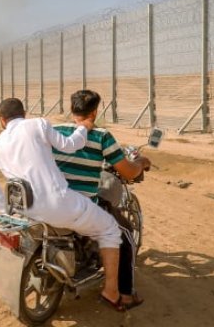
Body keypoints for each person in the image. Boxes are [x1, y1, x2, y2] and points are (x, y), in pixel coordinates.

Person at [0, 98, 125, 311]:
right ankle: (111, 291)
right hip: (58, 204)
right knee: (110, 229)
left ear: (2, 120)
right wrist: (83, 128)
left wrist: (5, 209)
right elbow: (70, 145)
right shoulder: (37, 124)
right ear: (24, 112)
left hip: (24, 210)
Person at [53, 90, 151, 310]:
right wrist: (142, 163)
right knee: (125, 234)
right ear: (95, 111)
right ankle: (123, 295)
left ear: (72, 109)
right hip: (82, 205)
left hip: (53, 201)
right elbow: (127, 172)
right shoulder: (101, 136)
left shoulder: (54, 131)